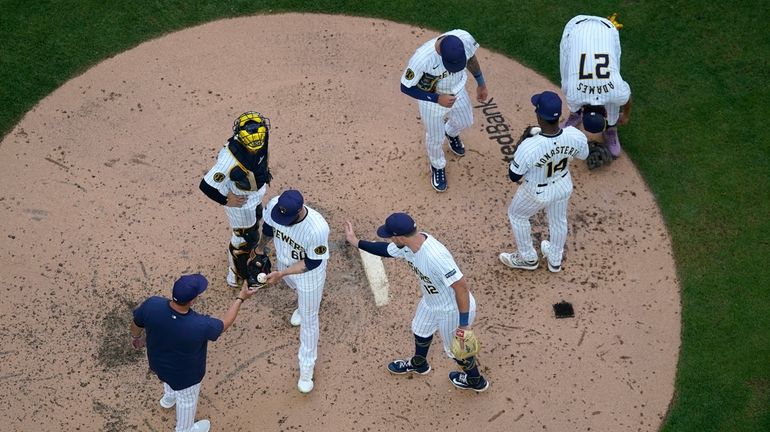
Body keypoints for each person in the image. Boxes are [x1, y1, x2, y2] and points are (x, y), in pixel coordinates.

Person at [345, 213, 490, 392]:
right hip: (431, 301)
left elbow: (461, 287)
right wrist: (356, 241)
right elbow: (385, 250)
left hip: (452, 309)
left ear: (399, 237)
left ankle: (475, 380)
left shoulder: (435, 257)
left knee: (457, 351)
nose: (389, 238)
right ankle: (419, 364)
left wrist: (464, 324)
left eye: (391, 235)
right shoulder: (409, 244)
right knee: (420, 329)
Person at [130, 274, 257, 432]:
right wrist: (240, 298)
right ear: (192, 300)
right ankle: (185, 429)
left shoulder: (152, 304)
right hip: (186, 377)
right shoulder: (200, 325)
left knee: (167, 378)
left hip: (157, 362)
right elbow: (225, 324)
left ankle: (168, 399)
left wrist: (136, 338)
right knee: (187, 401)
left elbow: (136, 323)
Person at [499, 91, 589, 273]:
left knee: (517, 215)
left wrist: (523, 141)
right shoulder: (574, 135)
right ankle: (555, 260)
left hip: (536, 192)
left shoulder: (529, 147)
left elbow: (514, 176)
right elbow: (583, 155)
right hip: (563, 185)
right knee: (558, 221)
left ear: (539, 115)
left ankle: (527, 258)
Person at [253, 189, 330, 393]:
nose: (282, 220)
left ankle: (306, 368)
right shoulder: (275, 205)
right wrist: (260, 249)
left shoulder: (317, 228)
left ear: (299, 212)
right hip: (285, 265)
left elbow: (313, 262)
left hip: (308, 275)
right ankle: (302, 303)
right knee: (292, 287)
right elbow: (268, 228)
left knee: (309, 319)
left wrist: (280, 273)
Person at [400, 30, 489, 192]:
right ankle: (437, 166)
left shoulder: (465, 38)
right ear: (440, 53)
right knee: (435, 138)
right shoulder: (422, 59)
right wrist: (436, 99)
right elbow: (405, 87)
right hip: (431, 101)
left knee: (466, 121)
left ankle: (451, 132)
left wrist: (481, 83)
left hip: (458, 91)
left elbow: (471, 59)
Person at [199, 111, 272, 288]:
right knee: (244, 239)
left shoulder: (262, 137)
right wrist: (226, 200)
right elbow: (206, 185)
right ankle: (237, 277)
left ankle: (251, 253)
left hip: (255, 193)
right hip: (240, 201)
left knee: (256, 220)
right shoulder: (229, 159)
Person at [559, 15, 632, 157]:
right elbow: (627, 99)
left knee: (613, 79)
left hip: (604, 29)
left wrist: (624, 115)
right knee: (567, 81)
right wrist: (626, 115)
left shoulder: (575, 95)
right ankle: (575, 115)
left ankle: (611, 128)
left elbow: (626, 98)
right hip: (577, 29)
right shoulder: (573, 93)